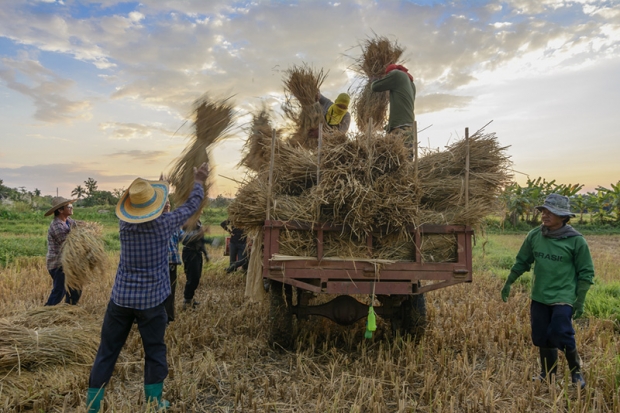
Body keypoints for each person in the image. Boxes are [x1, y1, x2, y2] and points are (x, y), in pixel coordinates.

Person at [85, 162, 209, 412]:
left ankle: (93, 405)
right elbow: (191, 206)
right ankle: (154, 402)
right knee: (154, 350)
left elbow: (136, 211)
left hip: (120, 300)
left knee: (107, 351)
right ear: (155, 207)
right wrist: (199, 180)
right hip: (152, 303)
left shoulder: (124, 225)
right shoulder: (164, 224)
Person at [501, 194, 594, 389]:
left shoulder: (576, 241)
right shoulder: (535, 235)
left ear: (563, 217)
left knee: (561, 332)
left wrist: (580, 300)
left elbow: (586, 273)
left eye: (551, 212)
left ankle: (576, 372)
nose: (545, 215)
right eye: (544, 211)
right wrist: (509, 282)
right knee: (541, 335)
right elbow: (522, 261)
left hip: (564, 296)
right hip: (540, 295)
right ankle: (548, 374)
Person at [44, 196, 82, 306]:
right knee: (60, 290)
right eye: (69, 206)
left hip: (68, 263)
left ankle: (69, 309)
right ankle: (46, 312)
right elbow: (67, 245)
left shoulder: (68, 221)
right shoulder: (57, 226)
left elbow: (79, 225)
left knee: (75, 288)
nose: (71, 208)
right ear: (60, 210)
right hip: (58, 264)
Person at [371, 64, 416, 138]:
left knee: (393, 149)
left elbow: (375, 87)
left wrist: (374, 81)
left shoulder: (396, 74)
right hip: (410, 128)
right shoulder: (411, 84)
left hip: (399, 128)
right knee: (407, 149)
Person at [180, 220, 210, 309]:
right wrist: (200, 232)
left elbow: (201, 240)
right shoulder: (187, 221)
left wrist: (205, 253)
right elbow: (186, 238)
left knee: (196, 277)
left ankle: (190, 297)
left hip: (197, 253)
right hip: (190, 253)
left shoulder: (198, 222)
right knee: (192, 277)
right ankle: (187, 300)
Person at [162, 200, 182, 323]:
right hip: (158, 263)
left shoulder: (175, 223)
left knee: (170, 291)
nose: (167, 205)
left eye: (169, 203)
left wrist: (198, 235)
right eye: (164, 203)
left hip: (172, 262)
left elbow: (183, 237)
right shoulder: (154, 221)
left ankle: (168, 316)